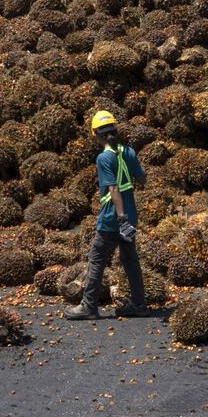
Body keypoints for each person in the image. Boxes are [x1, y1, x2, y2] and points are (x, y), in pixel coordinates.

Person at [65, 111, 150, 320]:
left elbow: (113, 189)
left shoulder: (103, 158)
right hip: (131, 217)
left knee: (96, 259)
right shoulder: (128, 151)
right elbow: (142, 180)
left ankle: (88, 306)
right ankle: (139, 304)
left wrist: (120, 218)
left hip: (113, 219)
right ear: (115, 130)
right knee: (130, 260)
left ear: (96, 134)